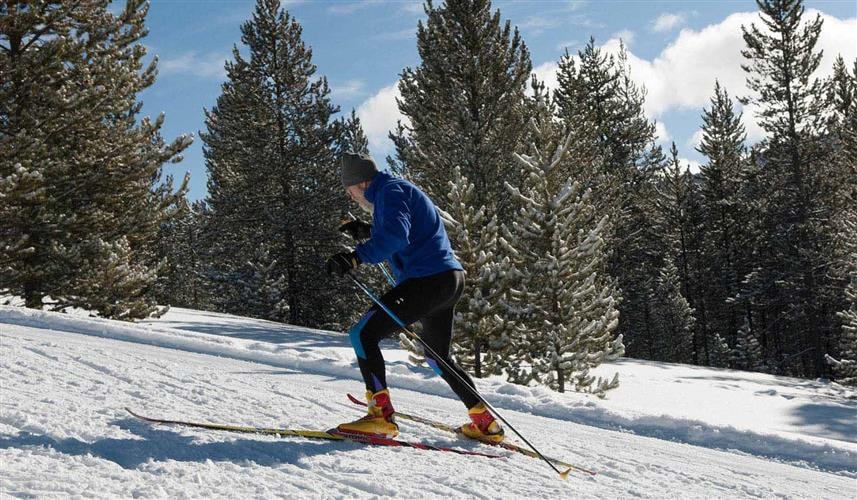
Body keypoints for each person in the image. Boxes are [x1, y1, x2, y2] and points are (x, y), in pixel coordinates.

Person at [325, 152, 504, 443]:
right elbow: (406, 229)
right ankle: (484, 422)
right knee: (437, 356)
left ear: (362, 183)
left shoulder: (389, 192)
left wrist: (355, 258)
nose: (352, 198)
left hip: (427, 279)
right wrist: (365, 231)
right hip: (448, 280)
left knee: (362, 335)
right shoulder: (395, 190)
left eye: (350, 191)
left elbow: (396, 236)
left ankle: (380, 417)